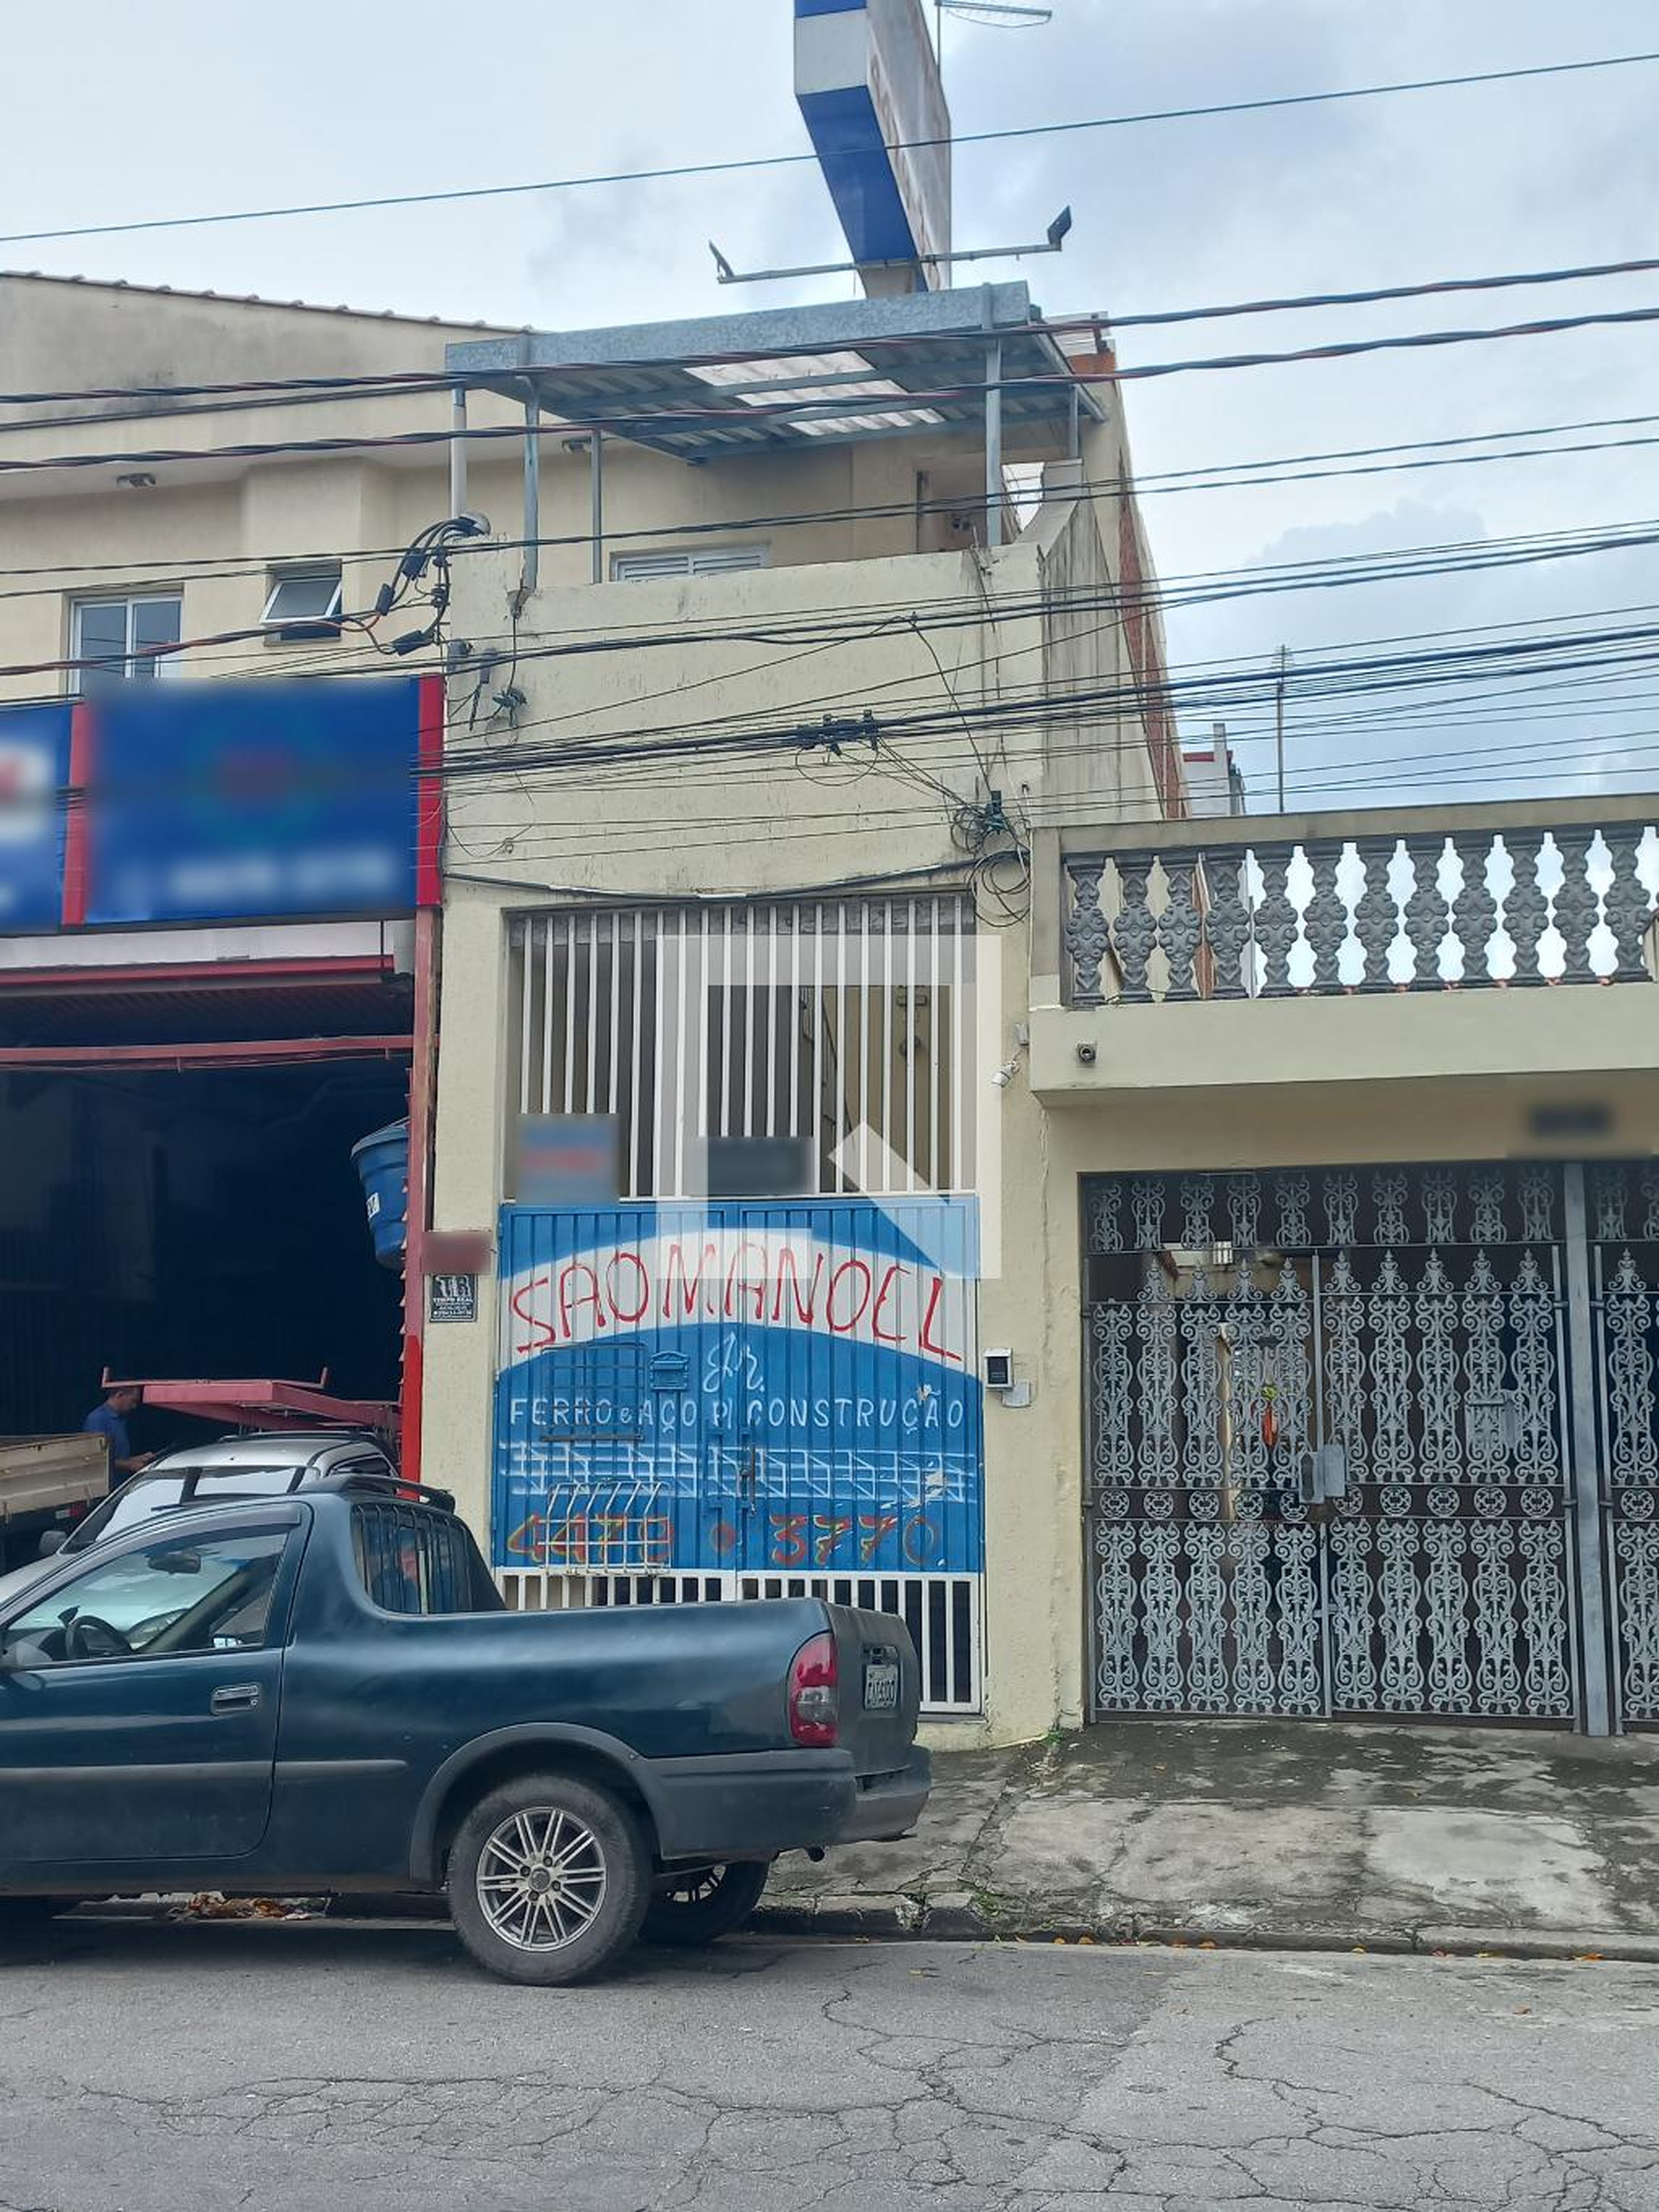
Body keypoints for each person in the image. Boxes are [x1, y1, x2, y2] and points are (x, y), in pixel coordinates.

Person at [82, 1382, 156, 1489]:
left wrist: (138, 1459)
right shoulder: (97, 1420)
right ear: (119, 1395)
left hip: (119, 1485)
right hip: (105, 1490)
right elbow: (95, 1460)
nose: (134, 1406)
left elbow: (116, 1457)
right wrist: (130, 1465)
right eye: (133, 1401)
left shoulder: (120, 1419)